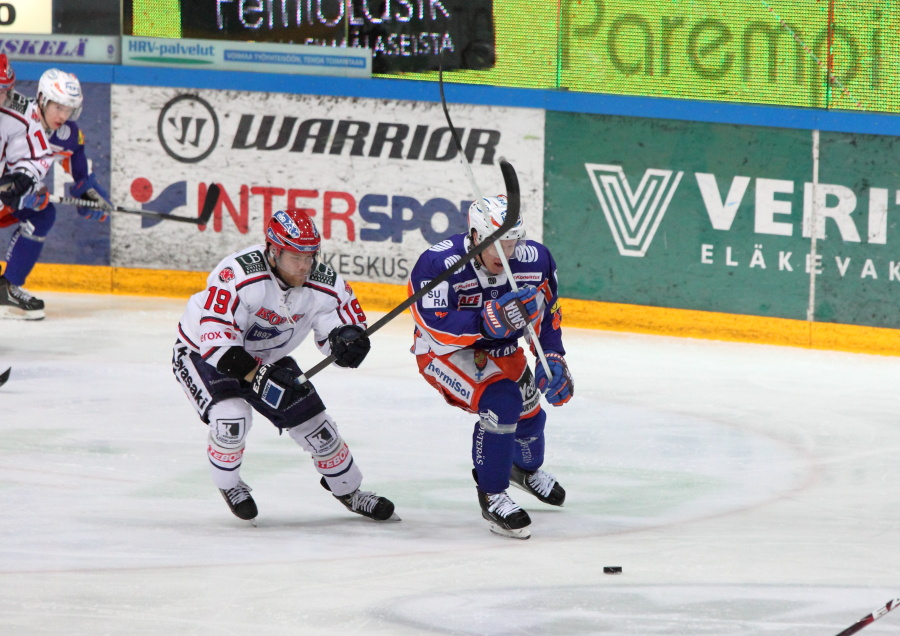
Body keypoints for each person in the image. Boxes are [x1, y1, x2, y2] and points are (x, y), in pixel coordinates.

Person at [172, 208, 398, 524]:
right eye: (295, 257)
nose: (305, 265)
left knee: (319, 429)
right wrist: (257, 375)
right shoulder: (238, 274)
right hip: (205, 354)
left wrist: (346, 341)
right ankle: (230, 485)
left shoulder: (325, 284)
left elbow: (340, 327)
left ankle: (350, 491)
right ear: (273, 250)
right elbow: (217, 344)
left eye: (310, 256)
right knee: (232, 418)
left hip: (268, 357)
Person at [408, 194, 574, 539]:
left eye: (512, 244)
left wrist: (552, 356)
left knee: (530, 419)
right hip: (446, 352)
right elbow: (433, 324)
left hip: (503, 350)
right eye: (497, 246)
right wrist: (485, 322)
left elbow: (548, 315)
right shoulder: (439, 263)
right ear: (475, 237)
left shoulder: (536, 260)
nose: (506, 255)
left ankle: (523, 471)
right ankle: (493, 493)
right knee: (502, 403)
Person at [0, 66, 112, 320]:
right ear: (41, 99)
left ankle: (8, 289)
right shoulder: (13, 115)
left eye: (69, 109)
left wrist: (90, 197)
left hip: (11, 196)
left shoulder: (67, 135)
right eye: (58, 107)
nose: (63, 115)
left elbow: (81, 174)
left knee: (43, 215)